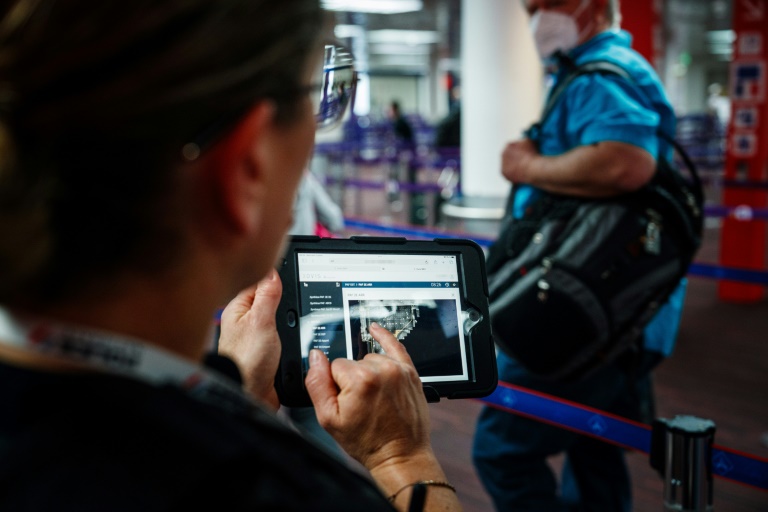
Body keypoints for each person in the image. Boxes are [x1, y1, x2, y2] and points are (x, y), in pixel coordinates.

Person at [0, 2, 461, 511]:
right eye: (317, 98)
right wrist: (403, 459)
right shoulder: (279, 493)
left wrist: (235, 394)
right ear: (249, 165)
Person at [472, 1, 685, 511]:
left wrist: (527, 167)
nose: (536, 15)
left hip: (585, 312)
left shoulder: (600, 73)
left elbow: (625, 164)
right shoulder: (595, 70)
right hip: (618, 308)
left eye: (547, 3)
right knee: (595, 449)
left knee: (500, 451)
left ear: (590, 5)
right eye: (530, 7)